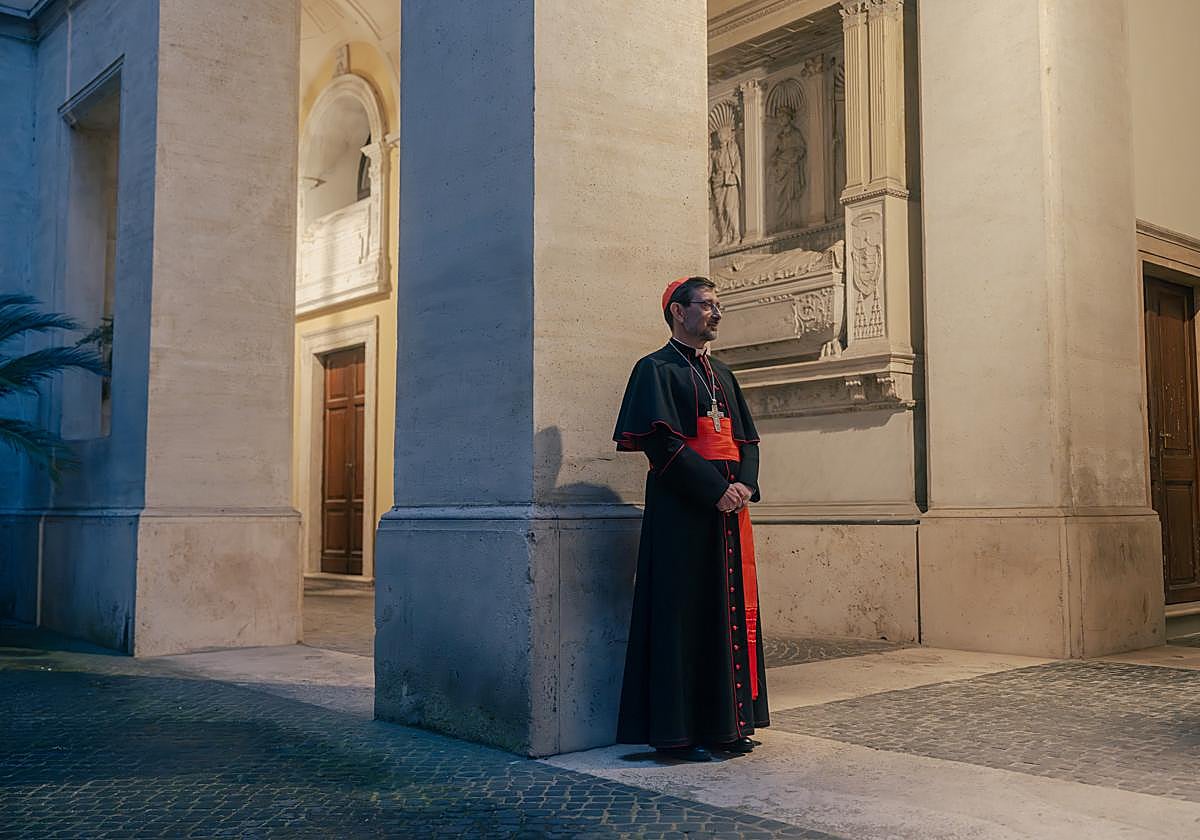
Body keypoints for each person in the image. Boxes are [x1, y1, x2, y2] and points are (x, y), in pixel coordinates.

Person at [612, 276, 769, 762]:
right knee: (683, 617)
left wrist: (742, 486)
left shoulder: (723, 373)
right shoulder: (653, 369)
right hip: (682, 515)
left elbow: (748, 440)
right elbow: (661, 444)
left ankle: (726, 726)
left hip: (726, 516)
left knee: (725, 615)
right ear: (678, 312)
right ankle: (678, 733)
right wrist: (715, 490)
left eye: (718, 305)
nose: (716, 313)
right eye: (707, 305)